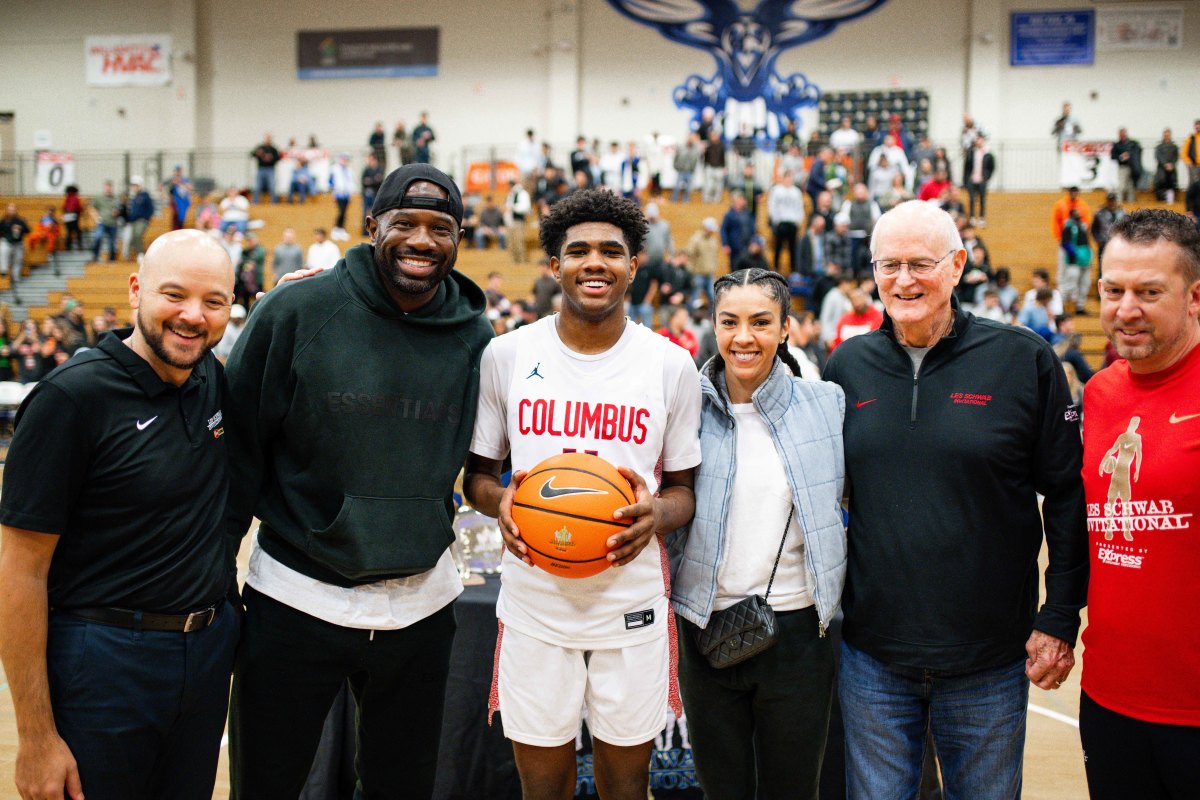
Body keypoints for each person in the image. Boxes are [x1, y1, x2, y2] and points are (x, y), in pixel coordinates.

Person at [223, 163, 493, 798]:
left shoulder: (477, 337)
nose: (422, 241)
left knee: (402, 786)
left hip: (421, 606)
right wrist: (215, 579)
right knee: (267, 782)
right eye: (405, 223)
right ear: (372, 226)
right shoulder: (297, 309)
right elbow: (236, 453)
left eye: (440, 228)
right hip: (296, 594)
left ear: (459, 238)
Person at [822, 200, 1087, 800]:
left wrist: (1060, 617)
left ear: (958, 265)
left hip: (989, 658)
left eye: (921, 263)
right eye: (889, 265)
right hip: (873, 658)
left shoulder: (1024, 360)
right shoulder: (847, 367)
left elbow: (1068, 495)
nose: (904, 279)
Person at [463, 188, 701, 800]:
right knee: (543, 788)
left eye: (611, 252)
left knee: (627, 786)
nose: (595, 263)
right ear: (554, 266)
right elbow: (479, 478)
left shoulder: (669, 365)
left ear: (633, 265)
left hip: (632, 597)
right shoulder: (508, 354)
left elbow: (682, 492)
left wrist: (657, 515)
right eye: (579, 251)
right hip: (536, 599)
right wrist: (504, 503)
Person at [0, 230, 238, 800]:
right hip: (103, 662)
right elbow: (19, 570)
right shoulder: (71, 399)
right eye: (173, 295)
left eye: (213, 301)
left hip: (205, 657)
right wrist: (35, 736)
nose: (192, 316)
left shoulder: (210, 379)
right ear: (135, 290)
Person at [671, 268, 845, 799]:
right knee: (722, 790)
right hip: (705, 628)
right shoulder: (685, 408)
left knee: (793, 790)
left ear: (786, 328)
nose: (743, 337)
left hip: (797, 635)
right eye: (730, 322)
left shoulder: (827, 405)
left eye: (761, 322)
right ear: (714, 326)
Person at [1079, 209, 1200, 800]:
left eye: (1149, 292)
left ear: (1195, 294)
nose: (1126, 309)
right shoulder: (1100, 392)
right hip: (1109, 701)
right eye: (1113, 290)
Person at [767, 170, 804, 274]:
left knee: (793, 248)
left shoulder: (796, 191)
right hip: (781, 222)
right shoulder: (777, 190)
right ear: (783, 178)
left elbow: (799, 207)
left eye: (790, 178)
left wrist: (798, 221)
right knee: (778, 247)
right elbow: (772, 205)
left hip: (792, 222)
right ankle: (775, 268)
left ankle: (794, 270)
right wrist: (775, 220)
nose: (788, 180)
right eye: (787, 178)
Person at [963, 135, 995, 226]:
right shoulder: (972, 153)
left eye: (980, 140)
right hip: (972, 179)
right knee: (972, 198)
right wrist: (966, 179)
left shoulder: (988, 154)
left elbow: (991, 167)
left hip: (982, 179)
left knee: (982, 199)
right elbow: (966, 167)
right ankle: (972, 216)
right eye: (977, 140)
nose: (979, 142)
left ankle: (981, 217)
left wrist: (987, 177)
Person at [1111, 128, 1143, 205]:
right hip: (1123, 167)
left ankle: (1130, 202)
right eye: (1121, 134)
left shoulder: (1133, 144)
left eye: (1124, 133)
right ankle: (1119, 202)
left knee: (1131, 185)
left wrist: (1131, 156)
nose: (1123, 135)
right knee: (1121, 185)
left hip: (1132, 167)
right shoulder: (1117, 145)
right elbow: (1113, 156)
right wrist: (1121, 157)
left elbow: (1138, 151)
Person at [1, 204, 31, 284]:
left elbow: (28, 230)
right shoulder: (4, 220)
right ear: (7, 210)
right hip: (7, 242)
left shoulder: (20, 221)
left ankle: (16, 277)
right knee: (3, 251)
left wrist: (21, 228)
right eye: (10, 210)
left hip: (18, 243)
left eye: (13, 210)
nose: (12, 212)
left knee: (17, 260)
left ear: (16, 211)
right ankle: (3, 272)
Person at [251, 133, 281, 204]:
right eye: (267, 138)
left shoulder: (273, 149)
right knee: (257, 186)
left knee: (272, 186)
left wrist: (271, 158)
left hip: (270, 169)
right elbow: (252, 154)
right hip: (261, 169)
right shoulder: (260, 147)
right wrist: (257, 153)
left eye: (269, 138)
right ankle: (255, 201)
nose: (268, 139)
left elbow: (278, 158)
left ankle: (273, 202)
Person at [1154, 128, 1180, 203]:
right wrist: (1165, 165)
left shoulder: (1174, 146)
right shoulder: (1159, 147)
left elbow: (1176, 157)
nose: (1167, 137)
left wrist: (1172, 164)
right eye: (1165, 135)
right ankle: (1162, 199)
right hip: (1161, 170)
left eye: (1168, 135)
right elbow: (1158, 156)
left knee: (1172, 184)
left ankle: (1170, 200)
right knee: (1161, 183)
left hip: (1172, 169)